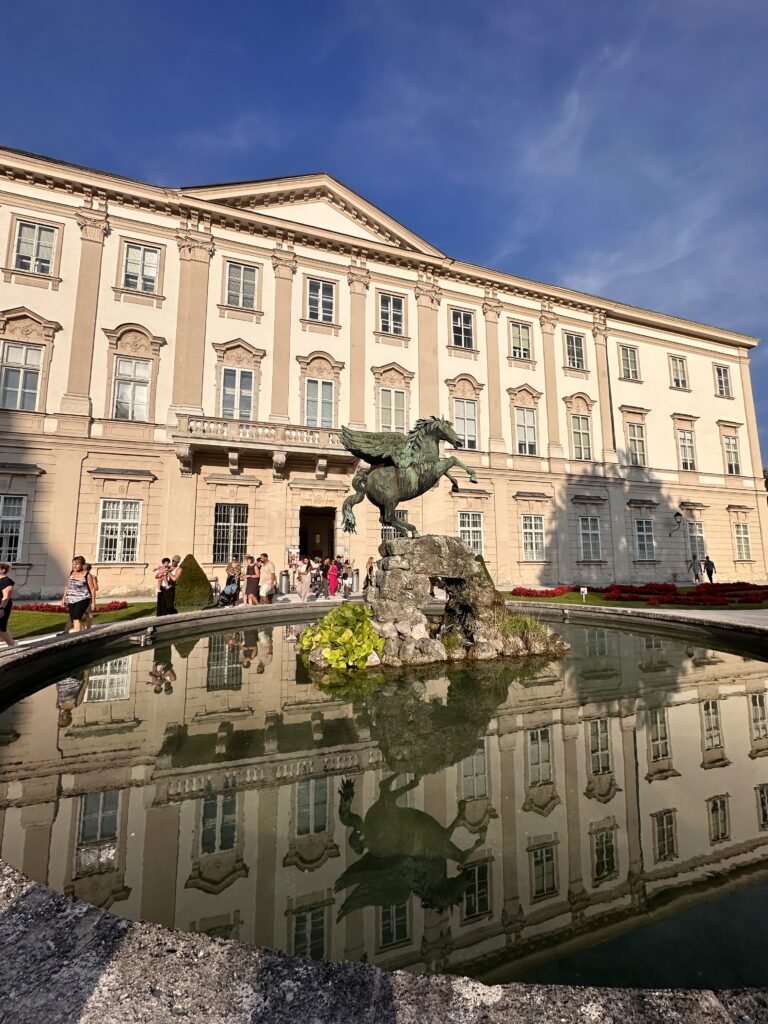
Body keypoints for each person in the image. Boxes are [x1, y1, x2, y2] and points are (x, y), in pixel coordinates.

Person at [62, 555, 97, 633]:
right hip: (71, 599)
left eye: (77, 564)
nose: (74, 566)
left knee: (76, 618)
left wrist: (93, 602)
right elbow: (68, 586)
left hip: (83, 599)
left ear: (82, 564)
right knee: (73, 617)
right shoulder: (70, 573)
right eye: (73, 564)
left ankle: (76, 636)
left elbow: (92, 589)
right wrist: (63, 598)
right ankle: (82, 632)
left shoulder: (87, 575)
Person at [0, 562, 16, 648]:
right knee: (1, 627)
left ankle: (12, 644)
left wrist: (1, 608)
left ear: (2, 570)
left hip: (3, 606)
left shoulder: (6, 581)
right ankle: (12, 644)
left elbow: (6, 596)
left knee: (1, 627)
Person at [84, 563, 99, 629]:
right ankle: (87, 627)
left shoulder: (92, 577)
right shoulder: (93, 576)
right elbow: (96, 588)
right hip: (87, 596)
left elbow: (95, 588)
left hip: (88, 596)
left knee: (88, 613)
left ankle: (88, 628)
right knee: (88, 613)